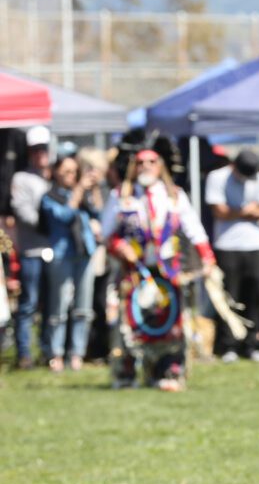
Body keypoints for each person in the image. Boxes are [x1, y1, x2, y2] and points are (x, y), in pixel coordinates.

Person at [101, 139, 216, 390]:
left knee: (171, 323)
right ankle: (127, 372)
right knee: (131, 324)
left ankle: (168, 371)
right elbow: (105, 232)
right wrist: (119, 246)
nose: (146, 166)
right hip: (133, 272)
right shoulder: (121, 196)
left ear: (160, 164)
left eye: (151, 162)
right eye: (140, 162)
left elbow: (194, 230)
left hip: (167, 271)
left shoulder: (174, 196)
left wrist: (208, 258)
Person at [204, 149, 259, 362]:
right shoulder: (217, 178)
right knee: (230, 296)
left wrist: (235, 212)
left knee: (255, 294)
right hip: (227, 245)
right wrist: (244, 212)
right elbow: (218, 211)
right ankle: (229, 344)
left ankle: (252, 344)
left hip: (254, 245)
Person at [40, 155, 102, 371]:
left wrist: (93, 188)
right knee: (59, 305)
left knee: (83, 306)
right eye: (66, 171)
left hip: (84, 253)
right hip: (61, 254)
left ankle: (77, 353)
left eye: (74, 172)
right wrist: (78, 191)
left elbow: (99, 213)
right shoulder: (50, 197)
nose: (71, 176)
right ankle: (55, 353)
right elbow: (65, 215)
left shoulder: (82, 195)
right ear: (56, 172)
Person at [10, 125, 52, 369]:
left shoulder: (52, 177)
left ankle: (47, 351)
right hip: (31, 251)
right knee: (28, 304)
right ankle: (24, 353)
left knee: (50, 304)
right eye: (36, 150)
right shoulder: (21, 178)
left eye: (43, 149)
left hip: (53, 251)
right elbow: (24, 212)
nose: (40, 154)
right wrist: (50, 225)